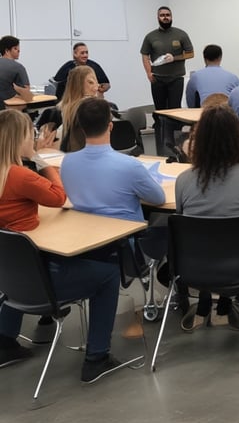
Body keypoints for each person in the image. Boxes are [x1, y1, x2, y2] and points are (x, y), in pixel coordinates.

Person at [0, 109, 126, 383]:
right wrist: (40, 160)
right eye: (30, 136)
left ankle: (5, 341)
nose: (34, 139)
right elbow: (58, 196)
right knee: (109, 275)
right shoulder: (20, 176)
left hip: (10, 279)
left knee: (17, 261)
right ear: (18, 140)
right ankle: (97, 358)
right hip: (41, 281)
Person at [175, 104, 239, 331]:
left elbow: (182, 218)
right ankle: (225, 305)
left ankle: (208, 302)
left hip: (193, 266)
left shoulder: (184, 180)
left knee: (203, 235)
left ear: (198, 140)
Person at [61, 97, 165, 222]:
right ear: (110, 126)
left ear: (82, 128)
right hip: (125, 231)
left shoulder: (67, 162)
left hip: (85, 230)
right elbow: (158, 199)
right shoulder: (130, 166)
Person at [140, 6, 194, 153]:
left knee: (174, 112)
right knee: (160, 113)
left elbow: (190, 53)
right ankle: (161, 147)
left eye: (167, 15)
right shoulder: (150, 36)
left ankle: (175, 147)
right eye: (162, 15)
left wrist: (174, 58)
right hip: (157, 79)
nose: (165, 17)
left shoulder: (181, 34)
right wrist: (148, 73)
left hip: (176, 79)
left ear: (171, 17)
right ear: (158, 18)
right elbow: (144, 55)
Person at [40, 65, 100, 153]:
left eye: (96, 83)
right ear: (77, 86)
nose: (96, 88)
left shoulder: (102, 110)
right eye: (90, 83)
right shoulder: (56, 114)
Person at [184, 44, 239, 108]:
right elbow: (238, 100)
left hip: (204, 111)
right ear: (220, 58)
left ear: (204, 58)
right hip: (226, 112)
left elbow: (190, 102)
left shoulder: (195, 76)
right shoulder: (233, 78)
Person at [0, 35, 33, 110]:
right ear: (7, 51)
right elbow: (27, 94)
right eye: (15, 48)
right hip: (9, 110)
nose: (19, 51)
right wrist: (17, 88)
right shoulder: (18, 67)